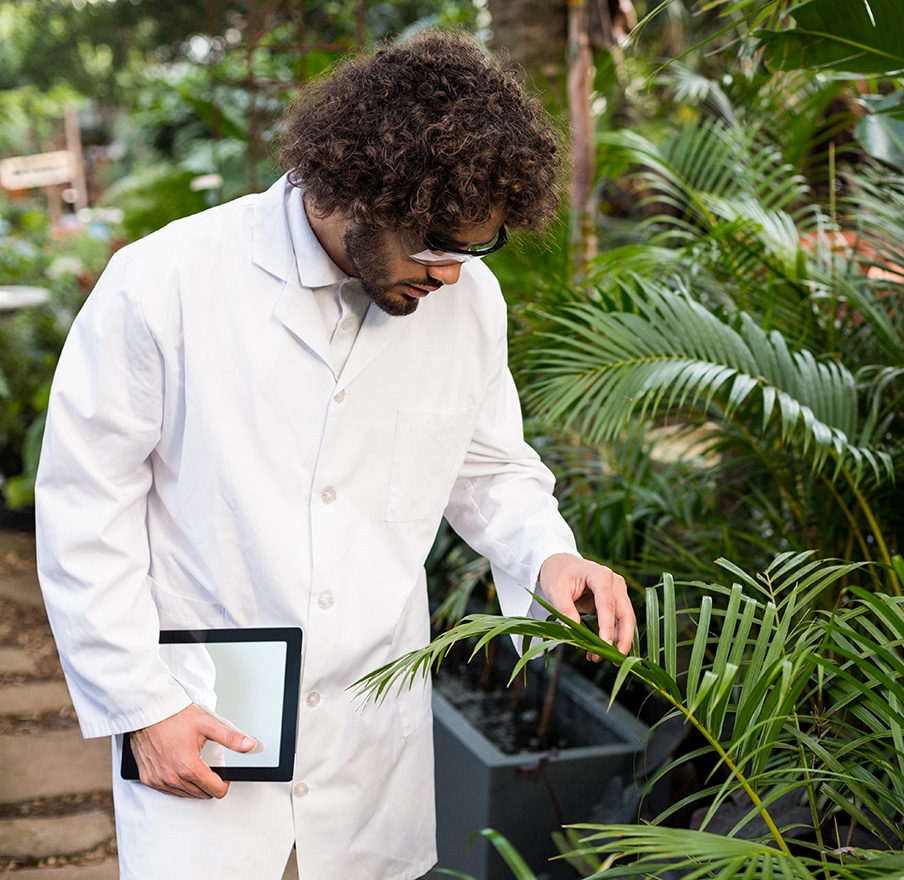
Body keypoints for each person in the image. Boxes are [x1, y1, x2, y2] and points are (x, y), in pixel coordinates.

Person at [34, 30, 634, 880]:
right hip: (200, 709)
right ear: (357, 186)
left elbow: (489, 465)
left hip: (367, 732)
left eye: (474, 249)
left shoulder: (468, 304)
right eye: (435, 248)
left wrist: (548, 551)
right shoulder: (164, 283)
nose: (452, 276)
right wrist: (139, 703)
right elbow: (83, 507)